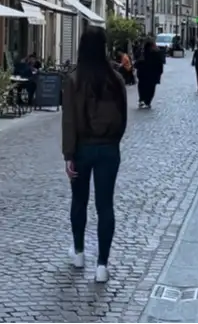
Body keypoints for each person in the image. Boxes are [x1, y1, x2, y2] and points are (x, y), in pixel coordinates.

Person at [62, 25, 127, 284]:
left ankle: (78, 252)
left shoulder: (74, 80)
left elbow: (69, 120)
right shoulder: (116, 79)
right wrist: (113, 140)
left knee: (79, 201)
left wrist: (69, 154)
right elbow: (123, 118)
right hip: (109, 148)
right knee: (105, 205)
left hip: (82, 148)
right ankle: (102, 265)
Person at [135, 39, 163, 108]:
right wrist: (159, 72)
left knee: (142, 87)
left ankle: (142, 100)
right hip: (153, 74)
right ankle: (147, 101)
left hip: (143, 73)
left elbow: (136, 60)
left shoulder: (142, 52)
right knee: (151, 88)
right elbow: (160, 64)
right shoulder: (157, 52)